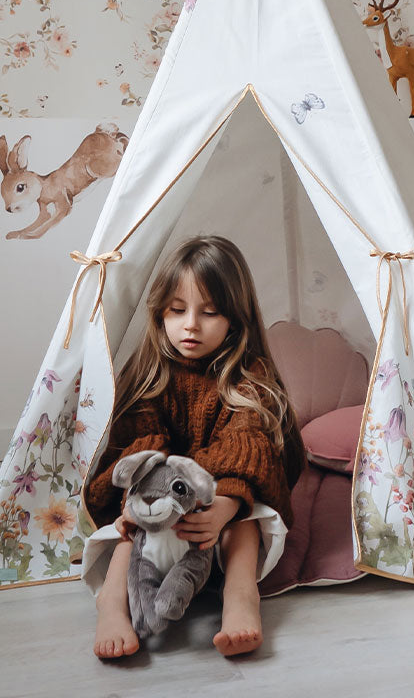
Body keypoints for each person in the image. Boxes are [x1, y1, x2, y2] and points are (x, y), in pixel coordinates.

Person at [83, 235, 305, 659]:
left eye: (210, 312)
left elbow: (250, 446)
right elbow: (134, 449)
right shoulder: (150, 371)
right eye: (178, 310)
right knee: (129, 527)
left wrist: (224, 504)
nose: (190, 325)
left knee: (247, 520)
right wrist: (144, 500)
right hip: (158, 515)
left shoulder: (248, 374)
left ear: (235, 320)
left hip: (214, 515)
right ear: (161, 312)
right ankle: (113, 605)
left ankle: (240, 599)